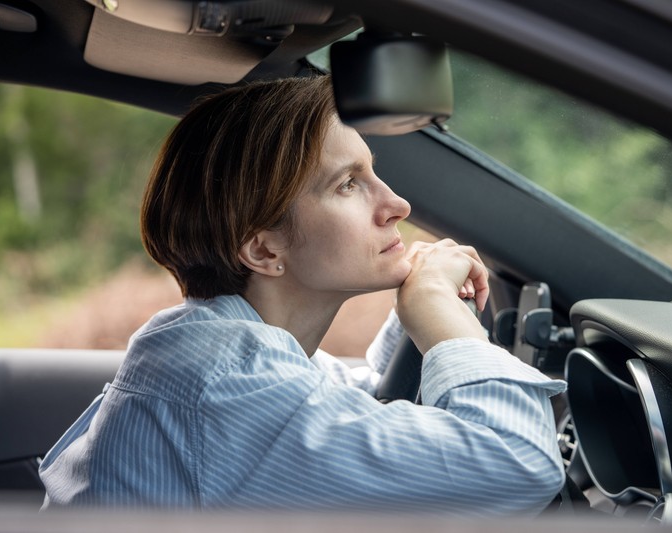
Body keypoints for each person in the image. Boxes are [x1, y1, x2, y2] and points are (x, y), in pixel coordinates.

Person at [38, 75, 566, 514]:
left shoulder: (225, 348)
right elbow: (518, 462)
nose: (398, 204)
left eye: (373, 173)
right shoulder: (226, 384)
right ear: (265, 251)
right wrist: (437, 308)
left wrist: (418, 313)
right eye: (347, 184)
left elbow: (359, 404)